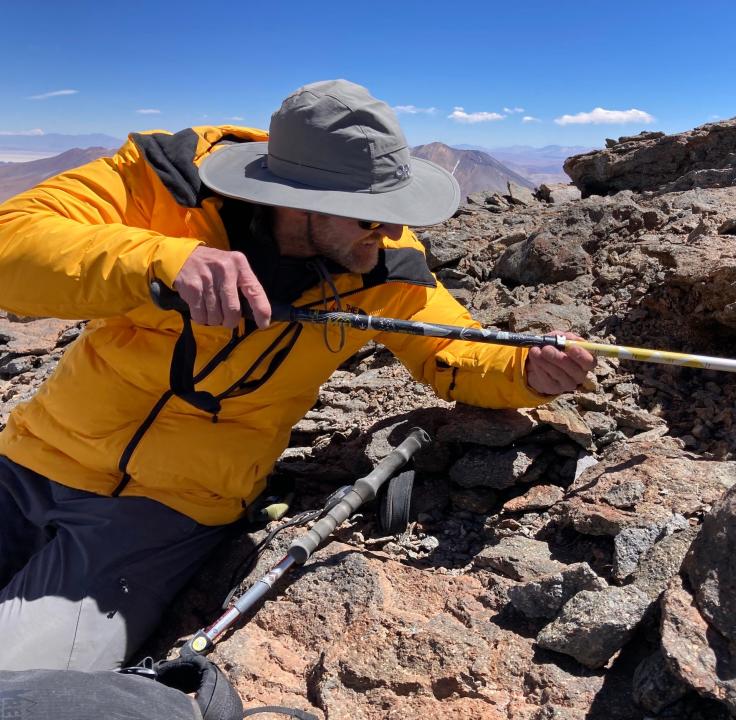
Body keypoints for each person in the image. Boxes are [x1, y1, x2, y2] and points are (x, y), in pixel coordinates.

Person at [0, 80, 594, 671]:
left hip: (165, 508)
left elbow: (452, 351)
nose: (389, 231)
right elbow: (12, 241)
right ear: (296, 199)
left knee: (19, 683)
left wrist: (530, 370)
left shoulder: (388, 266)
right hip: (27, 459)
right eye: (369, 216)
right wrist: (160, 262)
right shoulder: (167, 182)